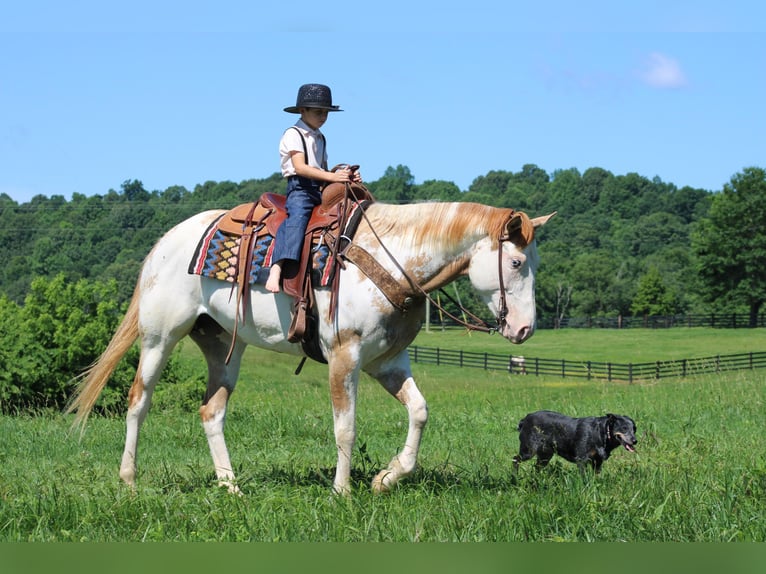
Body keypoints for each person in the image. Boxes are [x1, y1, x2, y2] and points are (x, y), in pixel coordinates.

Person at [265, 83, 362, 293]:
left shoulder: (320, 138)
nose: (323, 117)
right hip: (300, 189)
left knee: (344, 214)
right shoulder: (293, 134)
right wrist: (331, 176)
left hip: (318, 188)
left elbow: (323, 169)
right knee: (297, 219)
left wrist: (345, 176)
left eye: (326, 112)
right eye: (318, 112)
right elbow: (300, 167)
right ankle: (276, 268)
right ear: (303, 111)